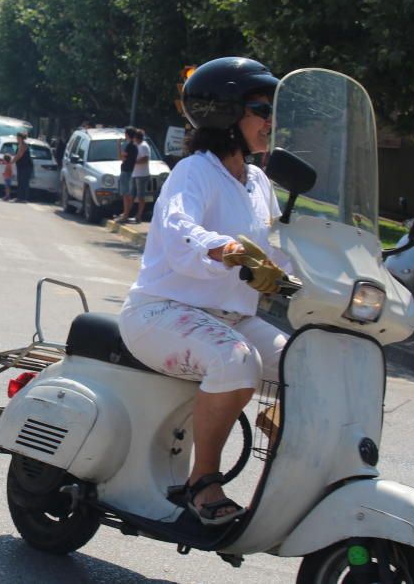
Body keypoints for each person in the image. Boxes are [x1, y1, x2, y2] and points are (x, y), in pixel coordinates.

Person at [118, 56, 289, 526]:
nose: (270, 121)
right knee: (235, 360)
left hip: (230, 317)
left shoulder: (257, 182)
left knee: (309, 362)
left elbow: (280, 246)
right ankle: (202, 482)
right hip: (162, 313)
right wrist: (226, 248)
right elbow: (177, 232)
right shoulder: (194, 171)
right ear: (226, 114)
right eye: (260, 108)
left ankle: (289, 470)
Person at [113, 127, 140, 226]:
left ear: (127, 135)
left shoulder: (129, 146)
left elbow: (121, 157)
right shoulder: (135, 145)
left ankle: (125, 216)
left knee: (126, 195)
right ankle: (125, 214)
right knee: (128, 195)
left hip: (126, 171)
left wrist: (118, 146)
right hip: (131, 171)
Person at [130, 129, 152, 222]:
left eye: (134, 137)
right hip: (135, 174)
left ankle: (139, 216)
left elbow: (145, 159)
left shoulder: (143, 146)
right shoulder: (137, 145)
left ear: (136, 137)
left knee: (140, 197)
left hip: (142, 175)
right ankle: (128, 213)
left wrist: (133, 162)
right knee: (131, 195)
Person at [9, 131, 33, 202]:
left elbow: (19, 155)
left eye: (17, 137)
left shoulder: (23, 145)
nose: (16, 138)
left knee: (24, 182)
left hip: (26, 166)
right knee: (20, 181)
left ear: (20, 137)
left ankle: (23, 198)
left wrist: (12, 161)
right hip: (21, 166)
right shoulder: (20, 144)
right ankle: (19, 197)